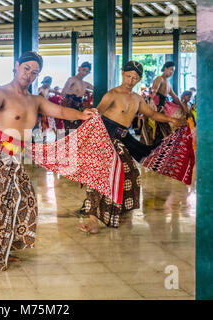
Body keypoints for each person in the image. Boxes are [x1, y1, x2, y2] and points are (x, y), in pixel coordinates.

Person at [0, 51, 95, 282]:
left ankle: (3, 248)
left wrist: (81, 114)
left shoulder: (35, 100)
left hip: (14, 159)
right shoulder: (1, 93)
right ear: (16, 66)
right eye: (26, 69)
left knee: (22, 202)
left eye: (35, 72)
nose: (29, 75)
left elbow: (60, 111)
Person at [78, 61, 189, 234]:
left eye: (135, 78)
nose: (131, 81)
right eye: (128, 76)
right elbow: (95, 116)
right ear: (122, 73)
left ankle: (118, 212)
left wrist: (172, 119)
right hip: (106, 139)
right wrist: (88, 144)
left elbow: (152, 114)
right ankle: (92, 221)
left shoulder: (137, 98)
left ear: (139, 79)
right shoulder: (112, 95)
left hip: (124, 140)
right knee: (100, 178)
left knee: (130, 175)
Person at [149, 61, 188, 145]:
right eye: (171, 70)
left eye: (173, 71)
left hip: (164, 107)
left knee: (168, 129)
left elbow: (175, 97)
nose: (172, 72)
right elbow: (154, 92)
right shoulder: (159, 79)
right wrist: (151, 103)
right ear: (165, 68)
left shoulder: (168, 83)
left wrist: (182, 106)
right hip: (157, 108)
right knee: (158, 133)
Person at [61, 61, 94, 135]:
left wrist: (88, 93)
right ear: (79, 68)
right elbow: (63, 93)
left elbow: (95, 89)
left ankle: (74, 145)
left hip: (79, 107)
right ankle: (66, 145)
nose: (85, 73)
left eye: (87, 71)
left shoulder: (85, 84)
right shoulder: (72, 79)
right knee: (68, 129)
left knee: (77, 129)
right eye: (84, 70)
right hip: (69, 105)